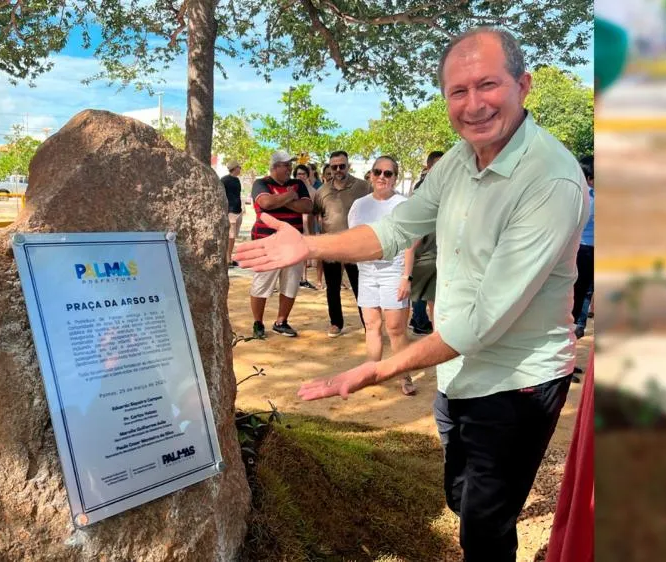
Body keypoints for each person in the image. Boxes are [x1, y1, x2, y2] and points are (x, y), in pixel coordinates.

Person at [234, 28, 588, 562]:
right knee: (460, 496)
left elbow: (481, 324)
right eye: (457, 91)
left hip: (517, 380)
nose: (473, 105)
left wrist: (374, 370)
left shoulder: (551, 180)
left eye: (487, 85)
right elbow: (395, 231)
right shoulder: (457, 162)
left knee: (485, 531)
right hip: (456, 370)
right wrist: (306, 246)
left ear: (524, 85)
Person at [348, 156, 420, 396]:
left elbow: (410, 244)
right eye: (377, 172)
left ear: (395, 178)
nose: (382, 177)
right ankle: (372, 372)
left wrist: (406, 277)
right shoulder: (359, 205)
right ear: (370, 175)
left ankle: (404, 374)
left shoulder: (403, 205)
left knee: (396, 329)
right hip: (367, 273)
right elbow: (355, 238)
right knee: (371, 325)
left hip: (394, 271)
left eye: (388, 173)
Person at [248, 150, 313, 338]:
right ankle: (258, 323)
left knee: (291, 283)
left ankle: (281, 321)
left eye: (289, 165)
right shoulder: (261, 183)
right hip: (267, 243)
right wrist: (290, 196)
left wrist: (281, 200)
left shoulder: (298, 184)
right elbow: (266, 203)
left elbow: (307, 207)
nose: (290, 168)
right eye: (286, 165)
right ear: (275, 167)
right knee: (262, 283)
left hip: (293, 244)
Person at [312, 150, 372, 337]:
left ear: (348, 166)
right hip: (331, 246)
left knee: (360, 286)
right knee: (332, 286)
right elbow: (317, 215)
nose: (338, 170)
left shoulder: (363, 187)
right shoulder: (322, 191)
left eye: (342, 166)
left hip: (356, 246)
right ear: (330, 167)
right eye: (334, 166)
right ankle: (336, 323)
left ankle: (368, 323)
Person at [408, 150, 445, 336]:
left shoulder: (452, 187)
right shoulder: (422, 189)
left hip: (443, 251)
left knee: (436, 297)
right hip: (424, 251)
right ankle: (420, 321)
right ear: (429, 167)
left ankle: (433, 330)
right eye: (437, 165)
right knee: (422, 293)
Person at [572, 155, 594, 339]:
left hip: (590, 248)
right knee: (579, 289)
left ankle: (579, 325)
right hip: (583, 248)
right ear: (589, 178)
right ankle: (575, 325)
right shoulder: (583, 195)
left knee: (587, 290)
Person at [294, 164, 319, 290]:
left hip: (307, 226)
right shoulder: (291, 189)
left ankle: (303, 278)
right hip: (293, 225)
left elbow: (314, 212)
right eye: (298, 174)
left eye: (303, 174)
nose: (301, 176)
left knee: (304, 253)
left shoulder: (313, 191)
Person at [221, 161, 244, 267]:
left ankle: (229, 256)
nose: (240, 168)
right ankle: (227, 259)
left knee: (234, 237)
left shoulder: (237, 180)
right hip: (230, 212)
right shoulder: (224, 180)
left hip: (238, 211)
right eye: (239, 167)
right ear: (235, 168)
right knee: (230, 236)